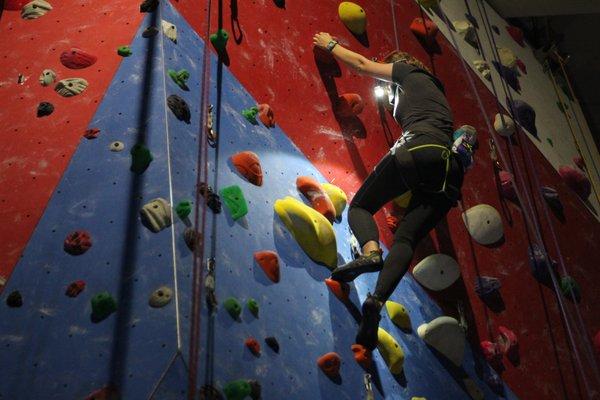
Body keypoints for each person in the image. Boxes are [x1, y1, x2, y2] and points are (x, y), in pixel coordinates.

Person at [313, 32, 476, 350]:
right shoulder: (437, 98)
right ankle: (375, 301)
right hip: (451, 171)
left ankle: (371, 252)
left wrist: (331, 45)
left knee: (360, 206)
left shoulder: (406, 71)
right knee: (407, 239)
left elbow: (361, 64)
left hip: (421, 144)